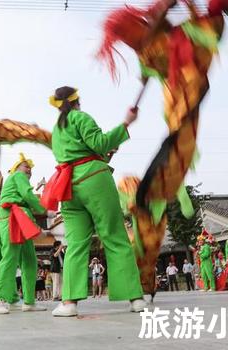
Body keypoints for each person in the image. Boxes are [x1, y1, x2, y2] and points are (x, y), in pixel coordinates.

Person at [44, 86, 146, 317]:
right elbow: (99, 144)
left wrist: (105, 152)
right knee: (114, 235)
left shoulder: (56, 130)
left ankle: (69, 303)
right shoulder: (81, 117)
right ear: (77, 101)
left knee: (76, 243)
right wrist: (126, 124)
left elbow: (82, 152)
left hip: (69, 185)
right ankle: (135, 298)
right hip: (93, 179)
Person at [0, 153, 47, 314]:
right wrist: (45, 210)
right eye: (25, 165)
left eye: (30, 167)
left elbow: (27, 199)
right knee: (10, 256)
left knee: (30, 260)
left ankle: (29, 301)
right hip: (10, 216)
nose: (28, 169)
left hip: (21, 218)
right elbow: (28, 195)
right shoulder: (18, 176)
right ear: (16, 168)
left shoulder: (18, 178)